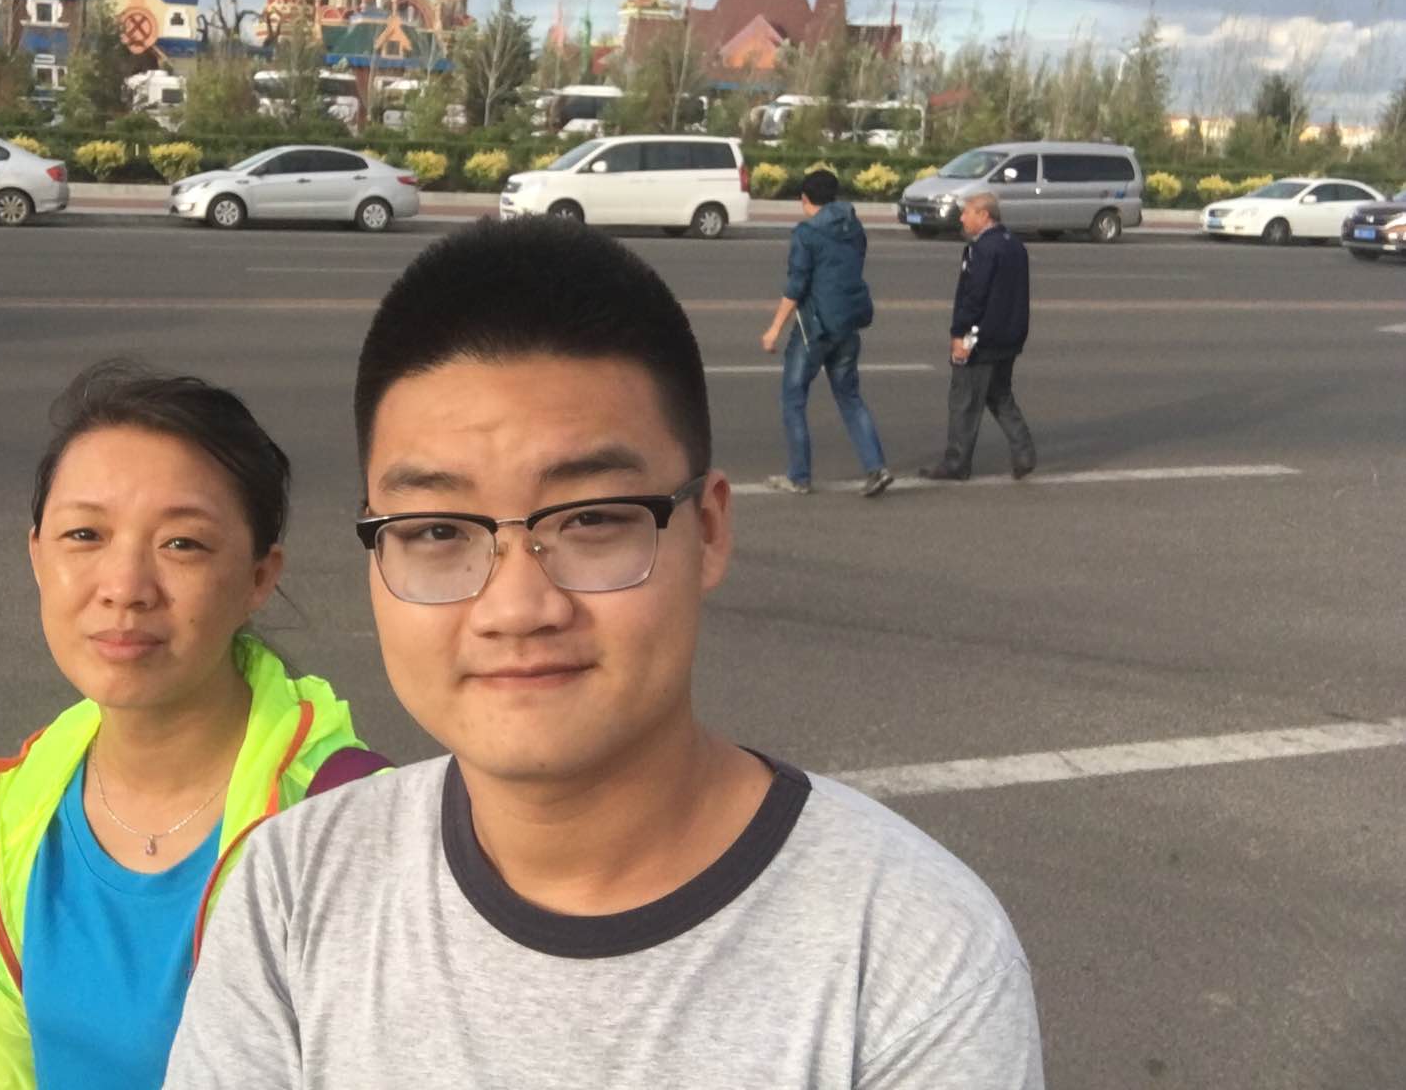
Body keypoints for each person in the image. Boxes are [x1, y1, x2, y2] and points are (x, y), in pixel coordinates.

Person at [165, 218, 1044, 1089]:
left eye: (589, 519)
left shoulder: (906, 955)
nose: (515, 607)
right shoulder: (293, 891)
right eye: (435, 530)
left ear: (708, 531)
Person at [0, 361, 387, 1090]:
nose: (125, 588)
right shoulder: (15, 810)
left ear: (258, 577)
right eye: (84, 534)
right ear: (37, 555)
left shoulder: (347, 827)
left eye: (182, 543)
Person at [760, 167, 893, 497]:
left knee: (793, 398)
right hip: (848, 324)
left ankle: (799, 476)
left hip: (815, 328)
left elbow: (796, 285)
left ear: (805, 199)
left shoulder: (807, 234)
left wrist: (774, 329)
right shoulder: (853, 226)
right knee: (849, 397)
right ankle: (876, 467)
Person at [921, 192, 1037, 481]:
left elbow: (974, 295)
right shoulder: (1014, 245)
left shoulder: (983, 249)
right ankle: (1024, 452)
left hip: (980, 337)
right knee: (999, 395)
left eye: (967, 212)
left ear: (984, 215)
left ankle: (956, 462)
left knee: (964, 401)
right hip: (1009, 335)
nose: (962, 218)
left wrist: (960, 334)